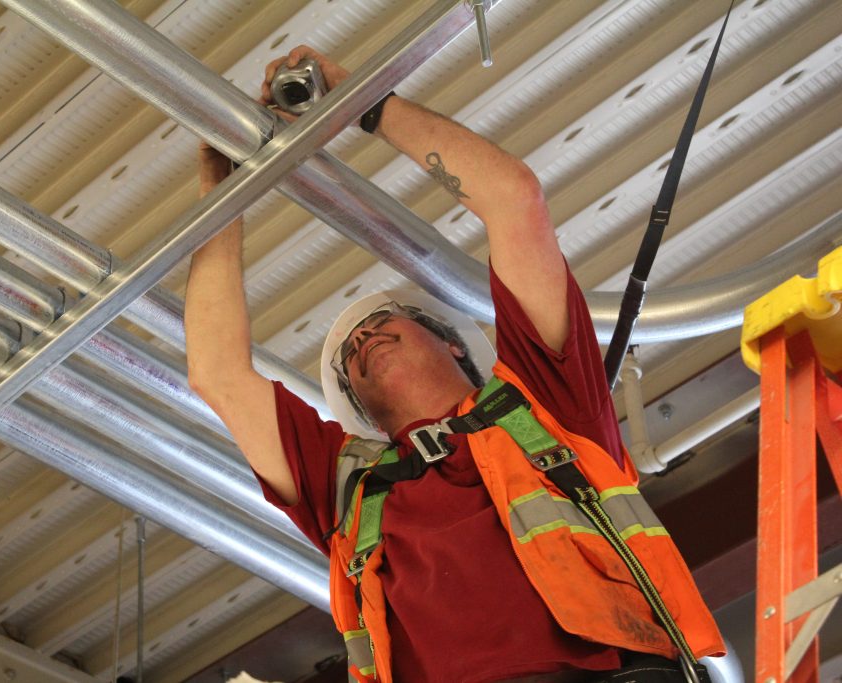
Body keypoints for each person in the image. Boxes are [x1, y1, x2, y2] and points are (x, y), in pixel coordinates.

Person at [185, 46, 724, 683]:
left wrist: (362, 103)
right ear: (361, 414)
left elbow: (514, 199)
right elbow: (217, 374)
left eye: (384, 322)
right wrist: (223, 190)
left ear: (455, 345)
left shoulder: (546, 402)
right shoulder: (345, 487)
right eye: (352, 354)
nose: (363, 340)